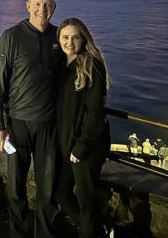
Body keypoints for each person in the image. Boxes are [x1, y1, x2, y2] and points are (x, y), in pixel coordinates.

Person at [0, 0, 62, 238]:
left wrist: (101, 90)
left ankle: (45, 234)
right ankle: (18, 234)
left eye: (48, 4)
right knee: (16, 185)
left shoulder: (61, 37)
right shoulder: (11, 36)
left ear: (54, 7)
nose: (43, 9)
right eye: (38, 4)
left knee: (48, 187)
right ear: (28, 6)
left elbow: (80, 68)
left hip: (50, 125)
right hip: (17, 124)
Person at [55, 18, 111, 238]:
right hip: (69, 144)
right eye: (65, 37)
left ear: (84, 38)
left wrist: (82, 146)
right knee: (62, 194)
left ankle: (91, 232)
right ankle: (97, 233)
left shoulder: (90, 65)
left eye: (76, 37)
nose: (70, 42)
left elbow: (94, 113)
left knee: (87, 204)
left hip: (86, 145)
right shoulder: (60, 66)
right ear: (58, 39)